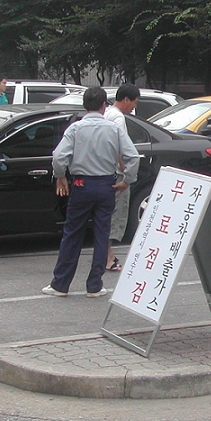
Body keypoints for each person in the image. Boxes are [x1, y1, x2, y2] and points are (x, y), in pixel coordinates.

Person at [42, 86, 139, 298]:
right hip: (106, 185)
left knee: (73, 233)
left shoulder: (75, 129)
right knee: (102, 233)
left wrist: (60, 176)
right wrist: (127, 180)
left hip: (81, 185)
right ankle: (94, 286)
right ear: (104, 106)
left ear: (85, 105)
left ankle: (61, 284)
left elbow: (59, 157)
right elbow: (132, 156)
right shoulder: (114, 129)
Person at [103, 83, 140, 272]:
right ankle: (108, 256)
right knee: (115, 214)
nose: (135, 107)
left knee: (106, 214)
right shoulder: (118, 118)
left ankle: (106, 254)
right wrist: (124, 168)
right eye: (135, 102)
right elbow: (120, 145)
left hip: (103, 171)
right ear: (126, 100)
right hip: (116, 173)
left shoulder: (107, 113)